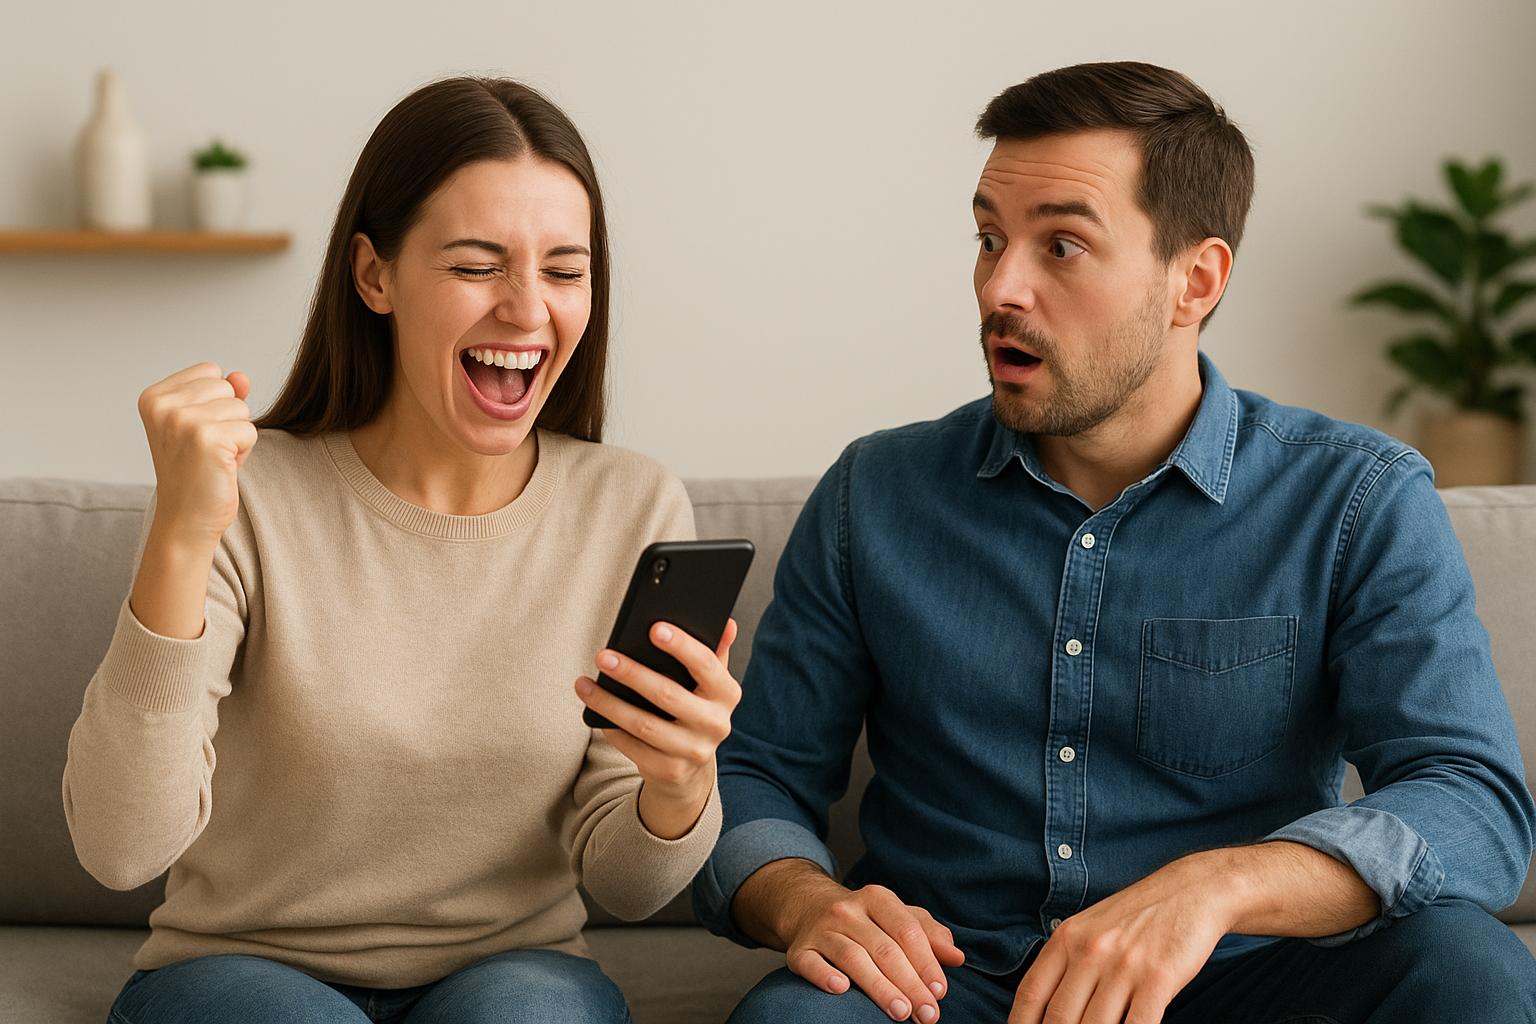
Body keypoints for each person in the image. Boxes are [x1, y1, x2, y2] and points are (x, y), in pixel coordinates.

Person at [695, 62, 1536, 1024]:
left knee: (1467, 966)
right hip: (945, 988)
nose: (1000, 286)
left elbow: (1471, 802)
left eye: (1061, 246)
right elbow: (754, 775)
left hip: (1242, 978)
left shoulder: (1357, 498)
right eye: (988, 239)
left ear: (1196, 279)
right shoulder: (871, 497)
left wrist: (1218, 888)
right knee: (793, 1017)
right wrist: (809, 901)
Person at [64, 77, 741, 1024]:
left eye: (563, 268)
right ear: (374, 275)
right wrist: (181, 527)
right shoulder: (246, 497)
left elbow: (629, 887)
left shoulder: (634, 507)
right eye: (476, 266)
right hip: (240, 972)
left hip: (514, 976)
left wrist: (679, 783)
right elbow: (120, 847)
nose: (526, 309)